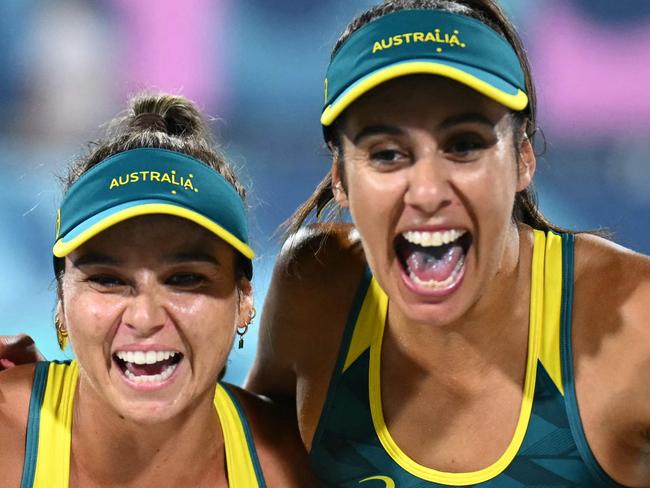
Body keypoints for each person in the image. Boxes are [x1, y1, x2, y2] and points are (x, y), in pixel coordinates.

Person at [245, 1, 650, 487]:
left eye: (463, 145)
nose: (428, 191)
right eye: (388, 153)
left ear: (522, 159)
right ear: (341, 181)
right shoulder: (316, 289)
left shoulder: (634, 320)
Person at [0, 93, 314, 487]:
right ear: (61, 302)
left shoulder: (294, 466)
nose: (145, 318)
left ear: (244, 299)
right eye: (108, 280)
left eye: (185, 279)